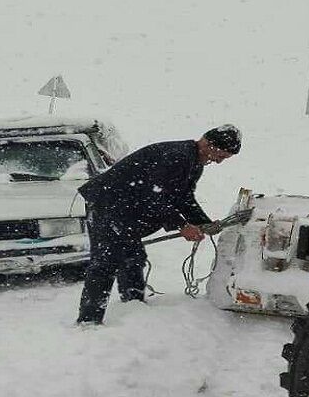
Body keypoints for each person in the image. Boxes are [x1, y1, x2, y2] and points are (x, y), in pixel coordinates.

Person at [75, 124, 242, 325]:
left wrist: (203, 222)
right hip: (108, 203)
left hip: (125, 207)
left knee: (133, 256)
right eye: (221, 155)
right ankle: (89, 320)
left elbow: (183, 197)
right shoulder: (177, 156)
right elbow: (155, 196)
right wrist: (182, 225)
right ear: (207, 143)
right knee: (106, 261)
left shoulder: (193, 161)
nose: (219, 161)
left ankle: (133, 305)